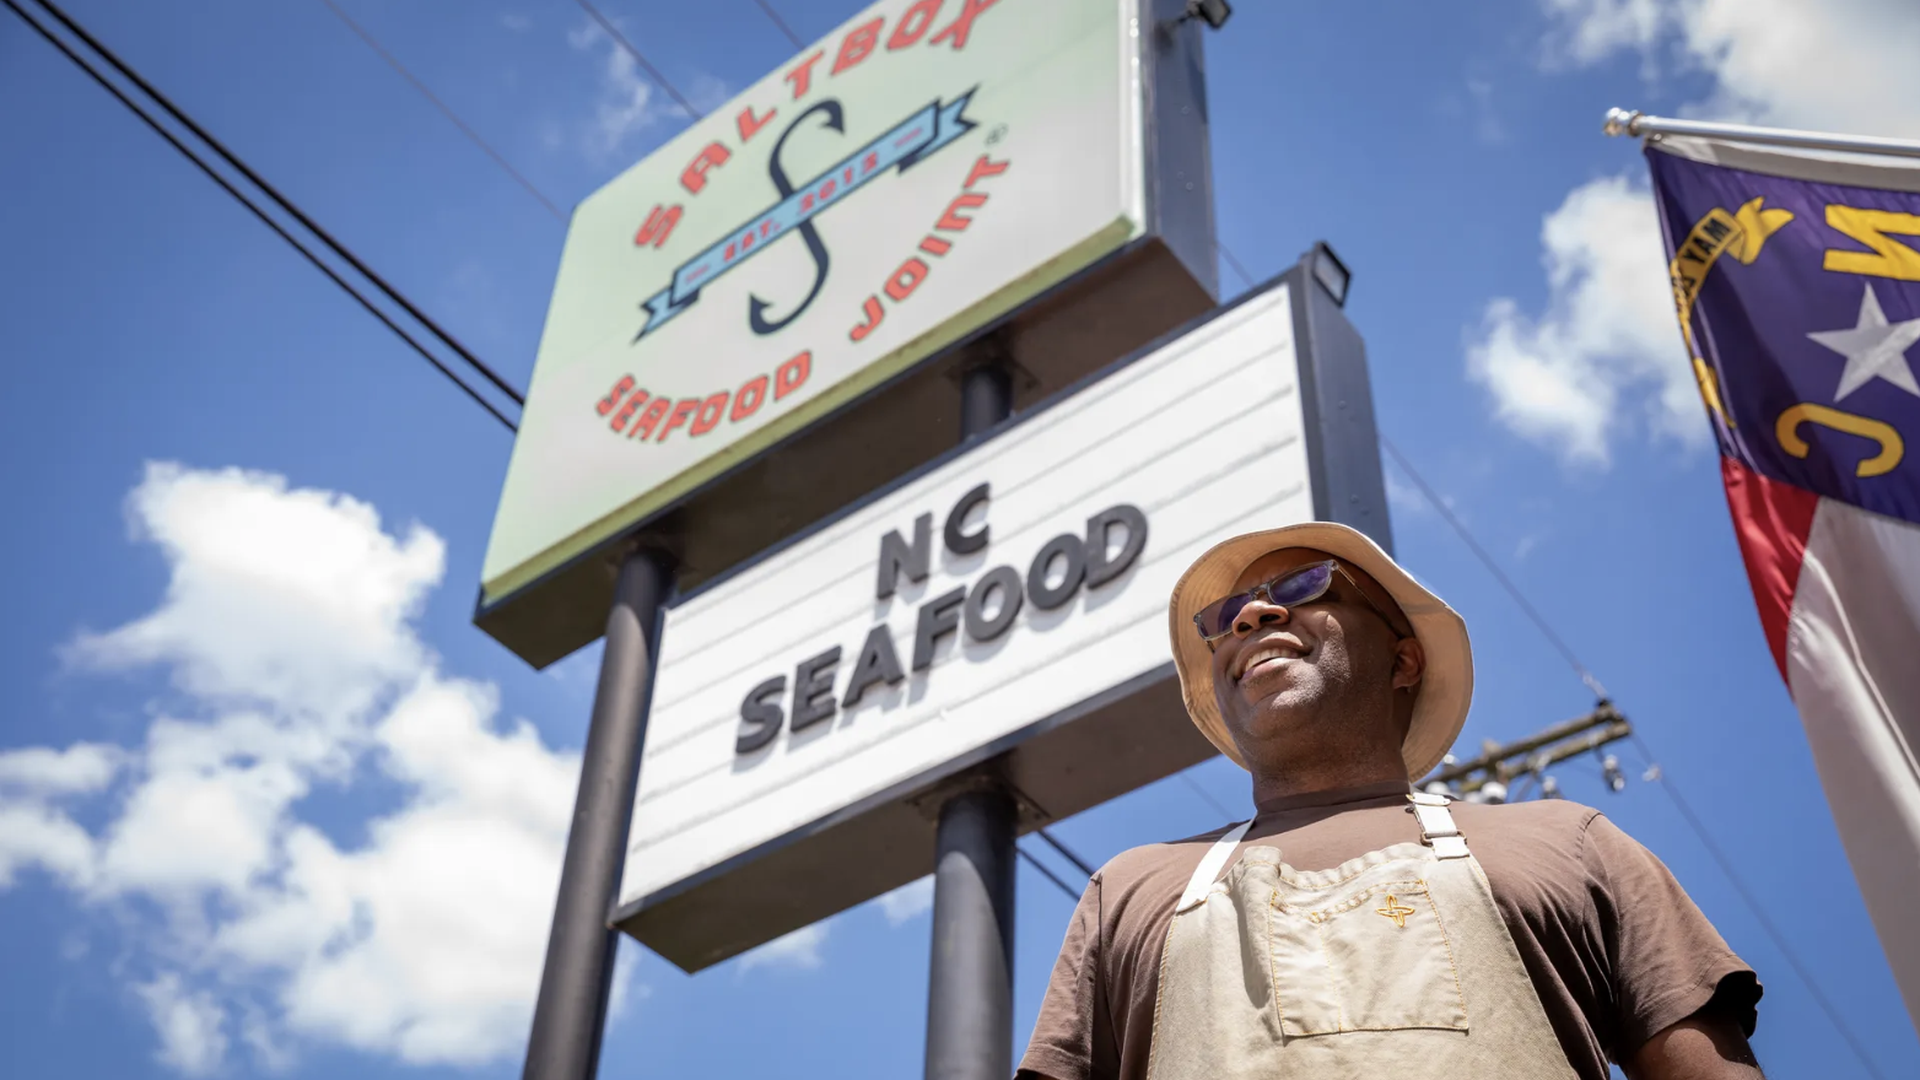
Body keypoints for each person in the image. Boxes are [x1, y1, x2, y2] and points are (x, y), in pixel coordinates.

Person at [1018, 522, 1763, 1080]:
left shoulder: (1571, 843)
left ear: (1403, 659)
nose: (1250, 619)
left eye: (1304, 587)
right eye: (1227, 619)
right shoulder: (1129, 888)